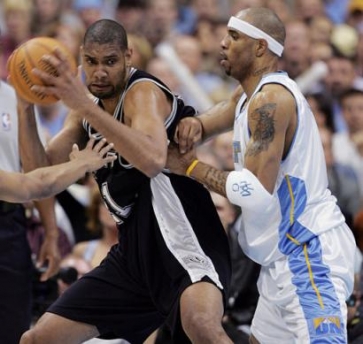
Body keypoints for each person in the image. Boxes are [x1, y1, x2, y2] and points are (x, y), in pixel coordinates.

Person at [18, 19, 232, 344]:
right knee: (37, 339)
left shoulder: (142, 93)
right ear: (81, 58)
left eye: (110, 61)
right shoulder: (86, 109)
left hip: (185, 241)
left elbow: (152, 160)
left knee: (202, 326)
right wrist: (25, 108)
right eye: (91, 62)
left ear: (128, 56)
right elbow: (42, 172)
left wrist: (82, 107)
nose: (100, 72)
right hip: (133, 257)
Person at [166, 7, 357, 343]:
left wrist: (192, 168)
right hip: (279, 259)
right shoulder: (249, 96)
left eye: (234, 36)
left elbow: (253, 190)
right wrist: (196, 124)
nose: (223, 43)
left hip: (309, 252)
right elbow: (226, 111)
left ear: (260, 48)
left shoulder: (272, 100)